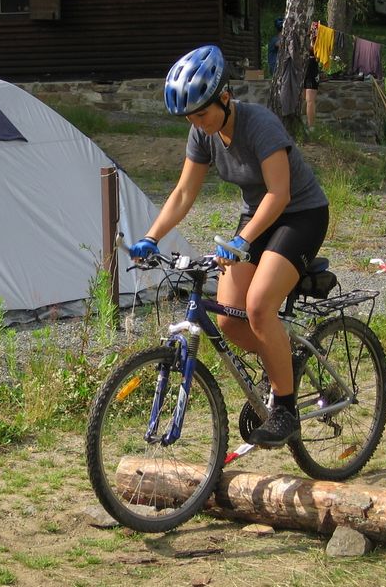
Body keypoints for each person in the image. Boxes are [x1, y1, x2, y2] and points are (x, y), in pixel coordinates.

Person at [128, 45, 329, 447]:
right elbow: (184, 192)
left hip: (299, 214)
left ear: (224, 96)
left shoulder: (260, 124)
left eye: (201, 113)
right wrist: (152, 236)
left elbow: (279, 193)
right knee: (230, 320)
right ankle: (283, 364)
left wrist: (242, 240)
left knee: (257, 306)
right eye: (189, 117)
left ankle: (285, 409)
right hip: (257, 218)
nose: (196, 123)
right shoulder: (203, 134)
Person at [303, 49, 319, 129]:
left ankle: (311, 128)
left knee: (310, 100)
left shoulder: (318, 37)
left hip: (311, 66)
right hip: (299, 66)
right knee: (300, 99)